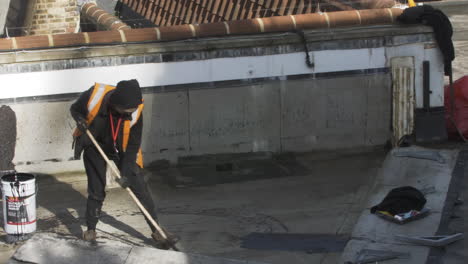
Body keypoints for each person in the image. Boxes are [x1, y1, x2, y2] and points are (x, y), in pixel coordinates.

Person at [70, 79, 178, 248]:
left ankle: (157, 230)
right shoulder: (95, 95)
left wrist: (126, 173)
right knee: (96, 190)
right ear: (115, 104)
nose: (131, 113)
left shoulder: (136, 110)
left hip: (122, 149)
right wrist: (80, 120)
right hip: (94, 146)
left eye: (133, 110)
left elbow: (133, 145)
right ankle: (91, 229)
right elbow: (75, 108)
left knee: (139, 187)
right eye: (127, 111)